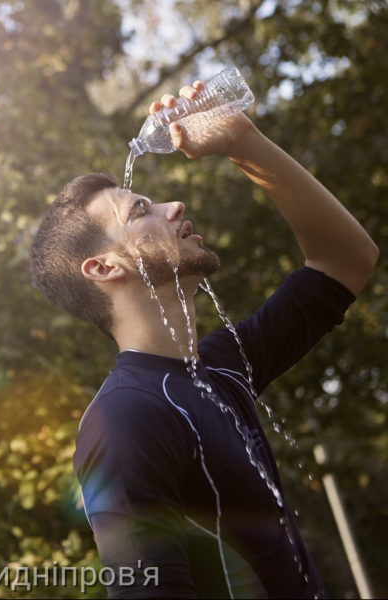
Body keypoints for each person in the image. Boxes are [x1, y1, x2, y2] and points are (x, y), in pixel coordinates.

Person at [29, 79, 379, 599]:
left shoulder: (221, 367)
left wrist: (242, 140)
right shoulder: (124, 419)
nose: (173, 206)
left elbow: (345, 261)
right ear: (103, 267)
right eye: (141, 210)